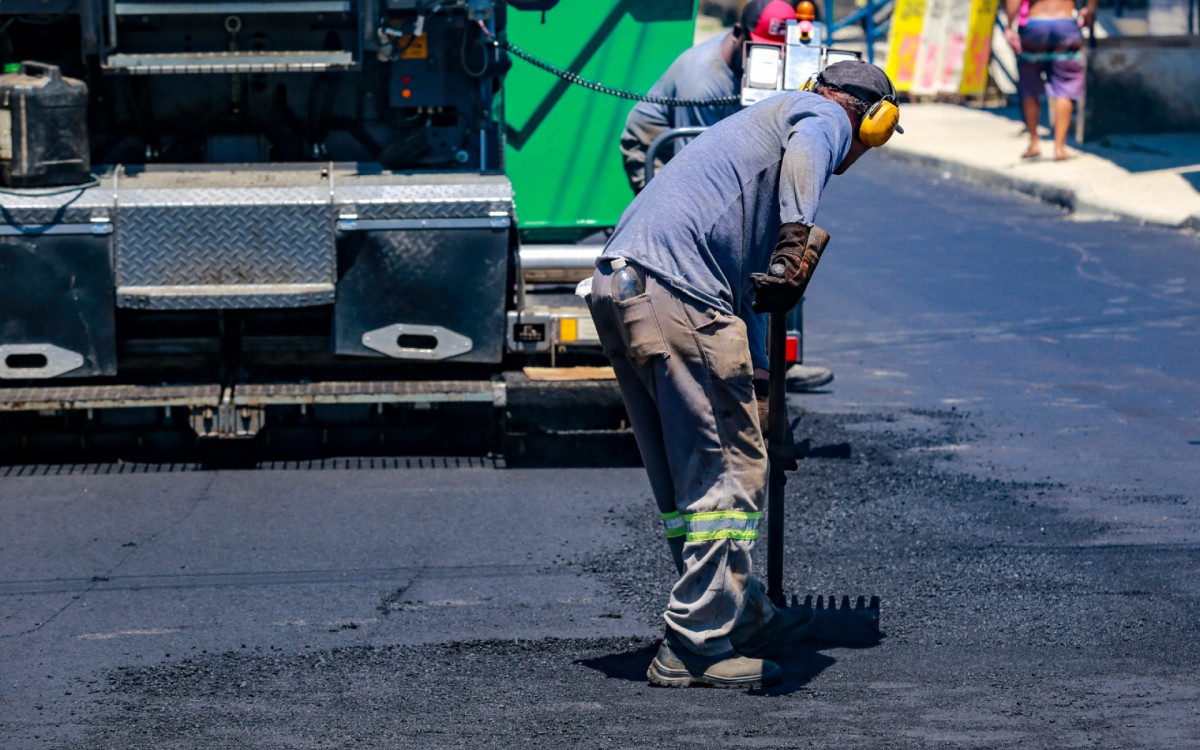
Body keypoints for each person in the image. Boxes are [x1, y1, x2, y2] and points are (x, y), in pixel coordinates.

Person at [588, 60, 902, 688]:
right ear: (872, 121)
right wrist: (796, 236)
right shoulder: (820, 118)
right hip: (678, 293)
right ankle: (695, 647)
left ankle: (738, 609)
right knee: (728, 472)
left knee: (690, 477)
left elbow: (748, 294)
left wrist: (760, 382)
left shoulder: (760, 127)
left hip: (622, 287)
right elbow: (814, 146)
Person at [620, 0, 836, 392]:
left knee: (771, 250)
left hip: (708, 158)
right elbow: (707, 166)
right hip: (663, 153)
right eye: (759, 53)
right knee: (724, 256)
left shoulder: (766, 66)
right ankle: (730, 360)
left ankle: (772, 360)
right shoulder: (704, 80)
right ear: (738, 35)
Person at [1004, 0, 1097, 161]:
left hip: (1035, 25)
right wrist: (1090, 10)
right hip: (1065, 23)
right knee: (1065, 84)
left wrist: (1010, 26)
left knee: (1029, 83)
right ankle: (1059, 148)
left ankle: (1034, 143)